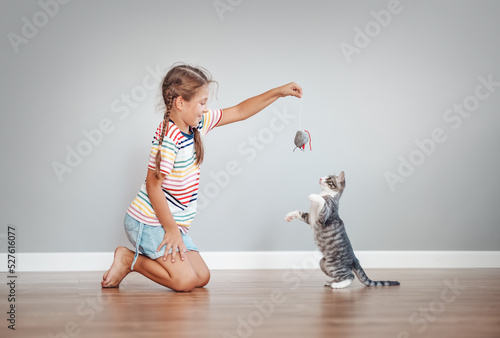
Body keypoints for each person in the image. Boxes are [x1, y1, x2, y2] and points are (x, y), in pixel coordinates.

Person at [101, 64, 302, 291]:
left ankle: (142, 257)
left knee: (202, 277)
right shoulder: (169, 138)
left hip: (171, 224)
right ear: (180, 103)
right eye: (202, 102)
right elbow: (152, 186)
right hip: (148, 222)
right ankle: (129, 260)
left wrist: (278, 92)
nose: (205, 108)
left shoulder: (196, 125)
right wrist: (171, 230)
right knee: (185, 281)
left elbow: (239, 111)